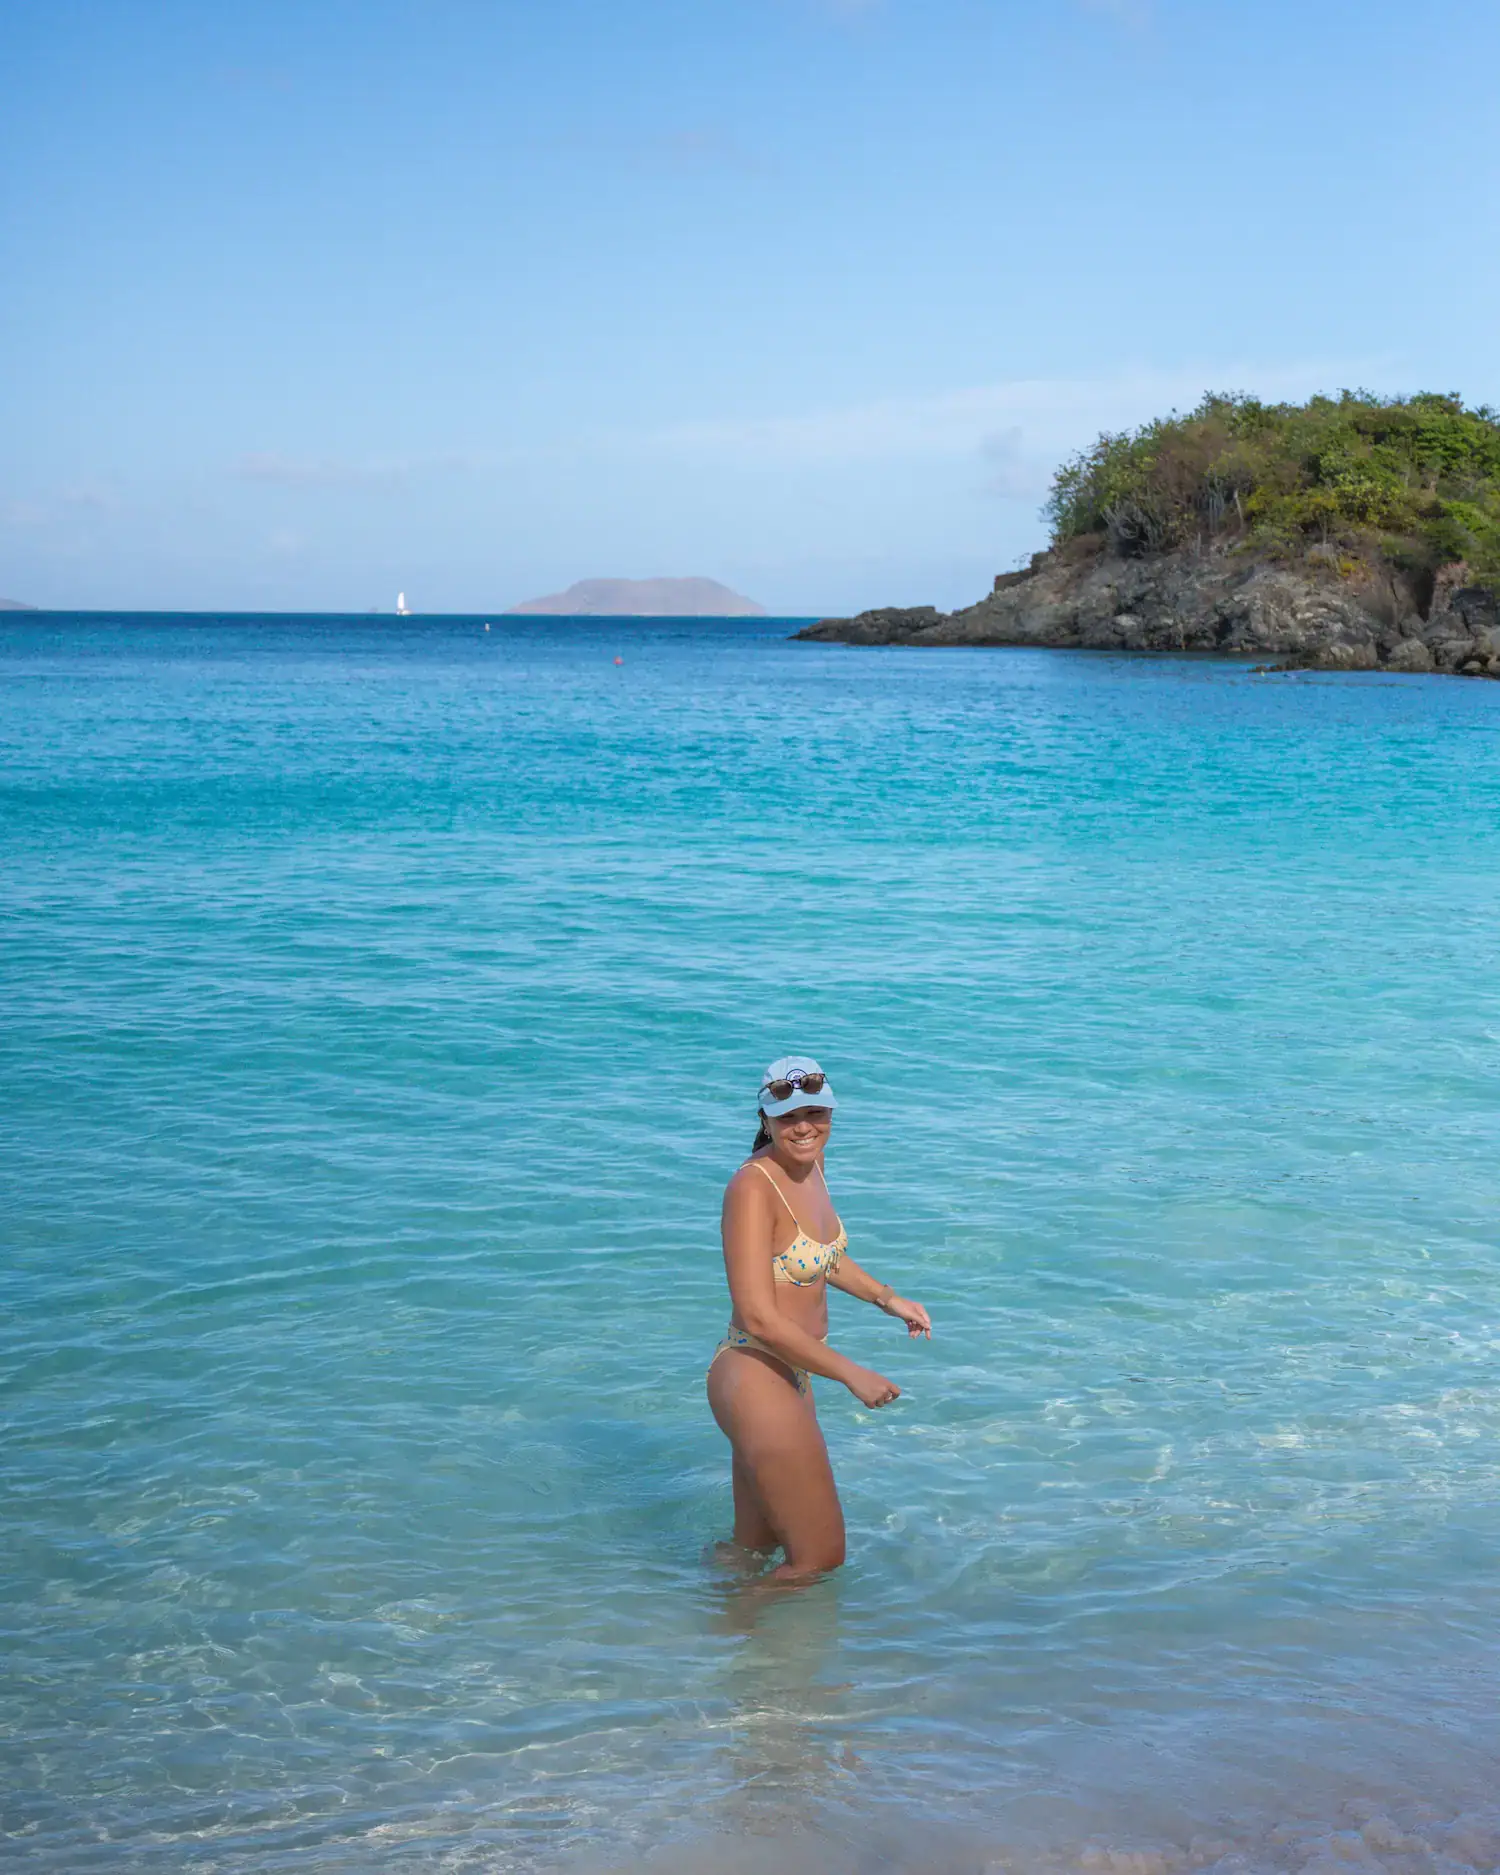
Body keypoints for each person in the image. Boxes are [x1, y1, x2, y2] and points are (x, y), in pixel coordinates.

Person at [707, 1055, 931, 1582]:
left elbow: (821, 1255)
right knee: (818, 1558)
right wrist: (853, 1373)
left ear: (831, 1114)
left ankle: (722, 1649)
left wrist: (886, 1299)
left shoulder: (811, 1167)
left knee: (753, 1548)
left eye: (815, 1112)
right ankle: (728, 1642)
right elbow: (759, 1317)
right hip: (754, 1373)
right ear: (765, 1119)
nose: (803, 1127)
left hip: (789, 1374)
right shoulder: (752, 1187)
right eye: (787, 1117)